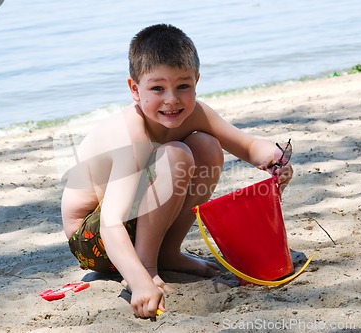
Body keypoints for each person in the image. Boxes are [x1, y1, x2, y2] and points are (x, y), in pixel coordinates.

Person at [61, 23, 293, 319]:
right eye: (157, 88)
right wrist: (140, 281)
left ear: (196, 81)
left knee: (206, 145)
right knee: (176, 155)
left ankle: (167, 253)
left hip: (134, 223)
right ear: (135, 89)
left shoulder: (196, 113)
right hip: (95, 241)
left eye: (183, 86)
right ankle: (146, 266)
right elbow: (110, 223)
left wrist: (276, 159)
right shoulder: (129, 134)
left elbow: (248, 146)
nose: (172, 99)